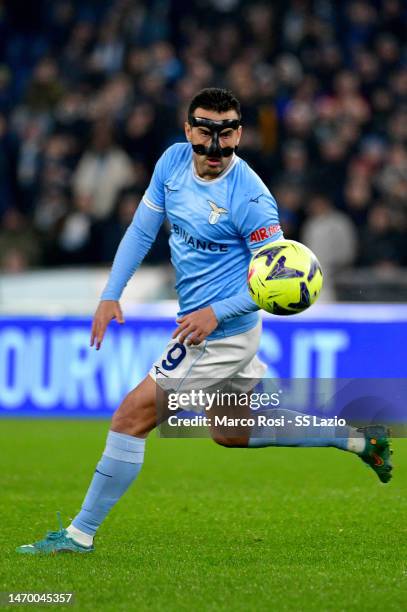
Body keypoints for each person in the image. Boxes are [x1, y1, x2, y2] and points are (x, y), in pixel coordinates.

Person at [17, 88, 392, 555]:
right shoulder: (171, 164)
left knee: (131, 416)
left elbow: (276, 282)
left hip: (221, 333)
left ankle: (78, 534)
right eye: (205, 136)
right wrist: (111, 293)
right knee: (231, 430)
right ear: (189, 129)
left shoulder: (252, 198)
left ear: (239, 133)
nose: (215, 150)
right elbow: (142, 229)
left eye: (227, 136)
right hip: (207, 325)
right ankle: (355, 439)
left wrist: (216, 312)